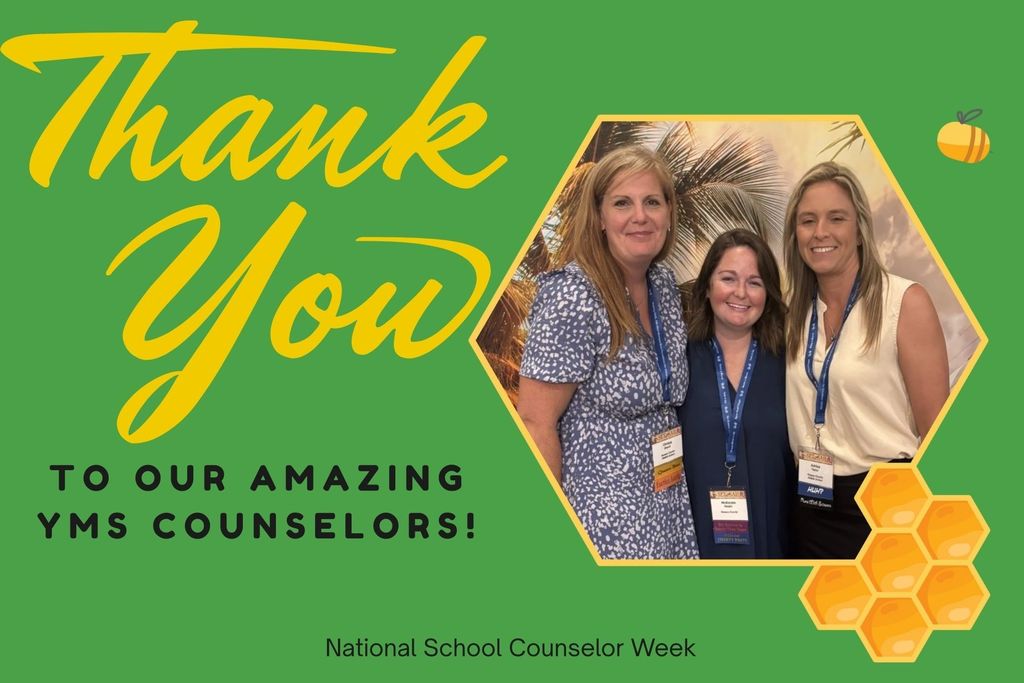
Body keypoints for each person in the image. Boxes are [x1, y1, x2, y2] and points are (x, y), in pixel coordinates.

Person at [517, 146, 699, 560]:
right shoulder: (573, 294)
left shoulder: (663, 285)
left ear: (668, 214)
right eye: (622, 203)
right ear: (599, 217)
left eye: (652, 202)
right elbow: (534, 422)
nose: (640, 216)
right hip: (602, 518)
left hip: (666, 504)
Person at [783, 162, 949, 559]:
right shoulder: (793, 314)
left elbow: (939, 432)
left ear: (858, 228)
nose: (820, 232)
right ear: (795, 234)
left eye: (835, 218)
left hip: (887, 503)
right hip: (812, 504)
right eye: (807, 220)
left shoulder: (904, 302)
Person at [677, 229, 794, 559]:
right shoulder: (679, 360)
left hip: (775, 539)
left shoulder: (790, 362)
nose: (741, 293)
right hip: (696, 541)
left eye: (755, 282)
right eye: (728, 278)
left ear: (768, 293)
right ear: (707, 286)